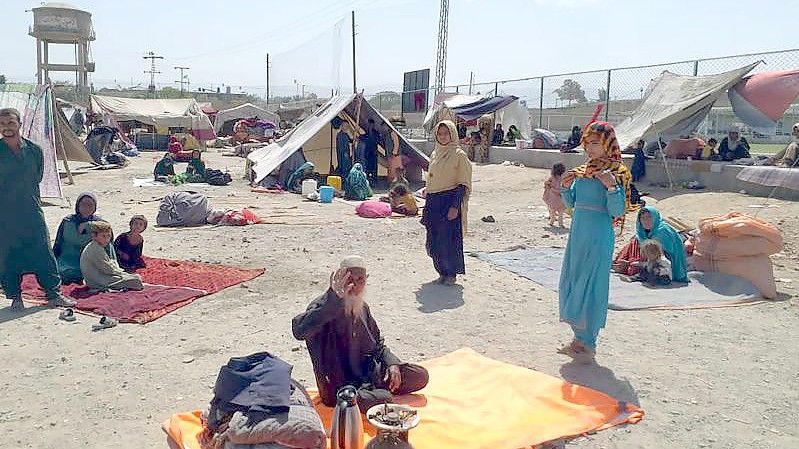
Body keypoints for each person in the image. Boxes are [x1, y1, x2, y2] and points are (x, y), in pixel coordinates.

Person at [292, 256, 429, 410]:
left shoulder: (362, 306)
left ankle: (378, 393)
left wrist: (392, 364)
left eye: (360, 280)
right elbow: (299, 330)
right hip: (341, 386)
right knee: (383, 399)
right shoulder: (323, 306)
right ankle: (378, 396)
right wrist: (333, 300)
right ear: (339, 277)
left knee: (419, 376)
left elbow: (378, 343)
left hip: (369, 376)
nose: (355, 285)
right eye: (350, 279)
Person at [558, 121, 634, 361]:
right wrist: (565, 187)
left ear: (607, 144)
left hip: (599, 234)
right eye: (587, 143)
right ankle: (578, 338)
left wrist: (612, 188)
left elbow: (617, 210)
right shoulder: (583, 171)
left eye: (595, 143)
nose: (590, 148)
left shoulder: (617, 172)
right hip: (578, 233)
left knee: (591, 285)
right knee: (572, 280)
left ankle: (588, 340)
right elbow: (571, 204)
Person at [0, 108, 74, 309]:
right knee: (8, 254)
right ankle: (15, 297)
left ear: (19, 124)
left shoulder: (34, 150)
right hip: (4, 215)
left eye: (11, 123)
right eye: (3, 124)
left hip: (31, 210)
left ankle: (53, 294)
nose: (7, 127)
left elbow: (38, 177)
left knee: (43, 251)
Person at [422, 121, 472, 285]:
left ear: (452, 134)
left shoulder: (459, 155)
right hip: (433, 202)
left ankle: (451, 273)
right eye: (440, 133)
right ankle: (441, 271)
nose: (443, 137)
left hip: (449, 200)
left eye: (446, 133)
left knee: (447, 239)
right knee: (433, 239)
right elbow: (432, 178)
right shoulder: (435, 154)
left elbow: (463, 184)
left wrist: (455, 206)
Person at [53, 192, 108, 284]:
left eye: (90, 205)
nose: (86, 208)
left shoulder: (99, 223)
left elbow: (107, 242)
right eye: (83, 204)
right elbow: (62, 242)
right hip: (69, 260)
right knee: (65, 273)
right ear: (78, 205)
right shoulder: (68, 221)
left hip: (91, 261)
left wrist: (89, 224)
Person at [80, 221, 144, 292]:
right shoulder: (95, 249)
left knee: (135, 277)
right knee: (136, 280)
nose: (107, 239)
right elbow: (107, 269)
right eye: (103, 236)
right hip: (97, 281)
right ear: (94, 236)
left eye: (108, 236)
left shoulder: (97, 246)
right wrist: (123, 273)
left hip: (101, 276)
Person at [543, 162, 566, 227]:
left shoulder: (552, 178)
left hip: (552, 197)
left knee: (552, 211)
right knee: (561, 212)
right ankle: (561, 223)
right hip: (561, 197)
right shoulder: (563, 178)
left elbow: (547, 185)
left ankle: (552, 221)